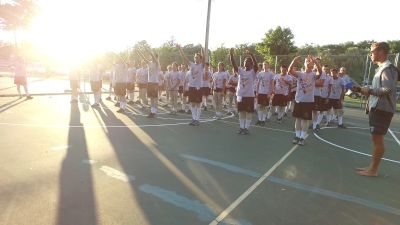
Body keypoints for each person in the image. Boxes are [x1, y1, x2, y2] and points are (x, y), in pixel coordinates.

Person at [358, 42, 398, 177]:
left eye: (372, 51)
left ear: (381, 52)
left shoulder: (388, 68)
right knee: (376, 139)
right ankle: (372, 167)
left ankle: (373, 170)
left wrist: (368, 90)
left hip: (382, 110)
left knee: (378, 140)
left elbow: (387, 89)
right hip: (378, 109)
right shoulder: (382, 68)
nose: (370, 54)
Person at [288, 55, 322, 145]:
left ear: (312, 64)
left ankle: (302, 138)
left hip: (308, 101)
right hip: (299, 100)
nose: (308, 62)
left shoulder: (314, 75)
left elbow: (320, 72)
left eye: (310, 61)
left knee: (305, 120)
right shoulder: (300, 73)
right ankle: (297, 136)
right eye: (306, 61)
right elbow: (289, 71)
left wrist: (316, 61)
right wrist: (293, 61)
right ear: (304, 63)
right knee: (298, 119)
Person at [230, 48, 258, 135]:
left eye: (248, 61)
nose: (246, 62)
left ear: (251, 63)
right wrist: (231, 55)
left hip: (249, 96)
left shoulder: (253, 72)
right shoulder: (240, 71)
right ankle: (242, 127)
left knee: (248, 112)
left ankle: (246, 128)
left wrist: (251, 55)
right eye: (245, 61)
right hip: (240, 95)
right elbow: (234, 65)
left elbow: (256, 65)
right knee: (241, 112)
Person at [177, 44, 205, 126]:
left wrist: (202, 49)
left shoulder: (201, 66)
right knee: (192, 103)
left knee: (198, 103)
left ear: (200, 59)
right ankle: (193, 118)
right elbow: (184, 58)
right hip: (191, 87)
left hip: (199, 88)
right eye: (195, 57)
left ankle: (197, 119)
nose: (195, 58)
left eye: (197, 57)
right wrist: (180, 49)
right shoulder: (192, 65)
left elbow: (204, 58)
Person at [137, 47, 161, 118]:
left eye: (153, 56)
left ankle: (154, 111)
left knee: (155, 98)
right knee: (151, 98)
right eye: (152, 56)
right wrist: (139, 52)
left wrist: (150, 52)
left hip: (155, 83)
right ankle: (152, 111)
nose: (152, 57)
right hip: (150, 83)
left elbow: (155, 59)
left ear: (156, 57)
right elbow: (144, 58)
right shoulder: (149, 63)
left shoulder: (157, 63)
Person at [255, 61, 274, 125]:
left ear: (268, 65)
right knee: (259, 106)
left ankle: (263, 120)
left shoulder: (271, 74)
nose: (264, 66)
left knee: (265, 106)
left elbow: (272, 84)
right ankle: (259, 119)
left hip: (266, 93)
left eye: (266, 64)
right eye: (264, 65)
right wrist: (257, 92)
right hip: (260, 92)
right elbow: (258, 83)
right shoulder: (260, 73)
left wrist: (270, 93)